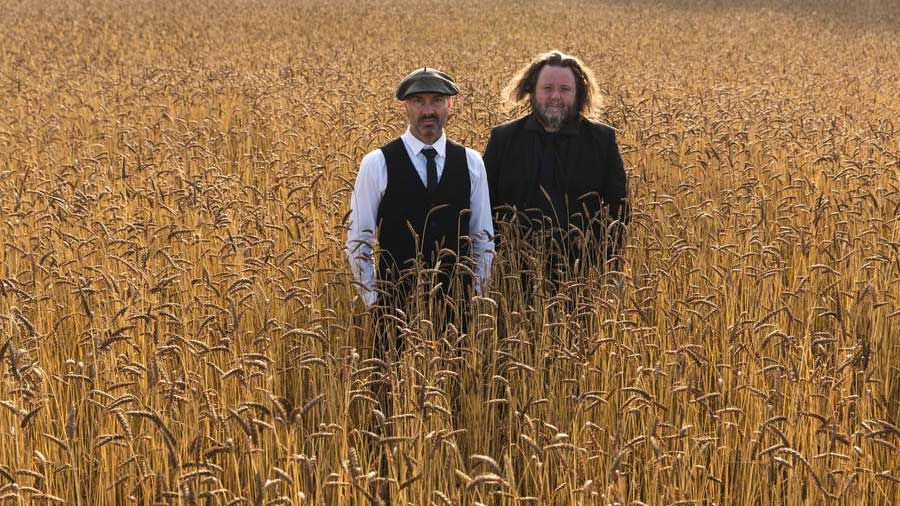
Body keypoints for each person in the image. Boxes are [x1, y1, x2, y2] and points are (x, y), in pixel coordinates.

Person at [483, 50, 629, 290]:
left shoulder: (602, 140)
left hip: (582, 279)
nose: (555, 96)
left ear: (579, 93)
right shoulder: (504, 139)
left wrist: (604, 269)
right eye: (547, 88)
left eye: (565, 89)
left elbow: (619, 212)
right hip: (513, 280)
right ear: (532, 90)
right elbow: (485, 206)